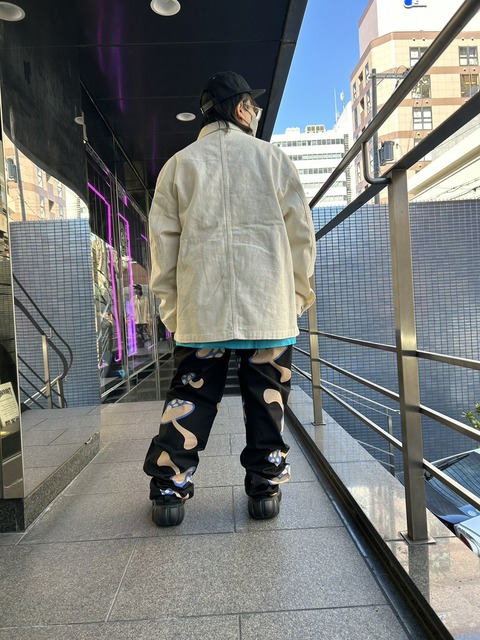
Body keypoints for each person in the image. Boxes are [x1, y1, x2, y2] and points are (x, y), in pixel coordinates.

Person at [143, 71, 316, 526]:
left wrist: (173, 311)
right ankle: (264, 487)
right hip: (268, 308)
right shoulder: (273, 160)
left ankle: (169, 490)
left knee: (191, 397)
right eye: (252, 106)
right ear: (241, 109)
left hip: (202, 311)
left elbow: (162, 248)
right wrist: (297, 296)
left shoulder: (178, 166)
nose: (255, 113)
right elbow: (301, 237)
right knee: (267, 398)